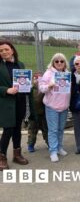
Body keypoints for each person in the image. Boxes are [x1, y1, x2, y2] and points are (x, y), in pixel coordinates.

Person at [0, 41, 29, 170]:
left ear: (12, 50)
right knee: (8, 130)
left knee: (18, 129)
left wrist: (29, 85)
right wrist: (6, 90)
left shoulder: (20, 64)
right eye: (1, 50)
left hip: (20, 101)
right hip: (6, 103)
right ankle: (2, 158)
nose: (4, 52)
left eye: (6, 49)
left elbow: (23, 83)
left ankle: (17, 155)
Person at [39, 53, 71, 162]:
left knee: (61, 129)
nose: (59, 63)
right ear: (53, 62)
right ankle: (53, 151)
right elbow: (41, 88)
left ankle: (59, 147)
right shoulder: (48, 73)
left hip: (64, 106)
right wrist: (49, 85)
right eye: (56, 61)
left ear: (64, 63)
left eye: (61, 61)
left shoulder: (67, 73)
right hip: (52, 106)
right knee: (53, 130)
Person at [27, 72, 48, 152]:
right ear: (32, 80)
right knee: (32, 131)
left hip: (43, 114)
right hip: (33, 114)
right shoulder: (30, 89)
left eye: (39, 79)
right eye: (35, 78)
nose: (37, 81)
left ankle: (49, 143)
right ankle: (30, 145)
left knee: (46, 130)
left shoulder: (44, 89)